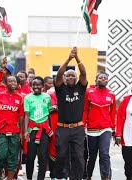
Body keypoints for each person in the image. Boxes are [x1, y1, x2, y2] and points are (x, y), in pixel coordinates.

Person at [53, 47, 87, 180]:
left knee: (78, 157)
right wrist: (68, 59)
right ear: (65, 78)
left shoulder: (81, 87)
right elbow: (59, 74)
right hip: (63, 128)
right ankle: (61, 177)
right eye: (68, 75)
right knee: (61, 155)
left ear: (76, 78)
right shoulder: (61, 88)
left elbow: (84, 73)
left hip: (77, 128)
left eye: (73, 75)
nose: (71, 77)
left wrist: (77, 58)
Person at [0, 75, 25, 180]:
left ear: (17, 84)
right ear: (5, 83)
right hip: (1, 130)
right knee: (2, 155)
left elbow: (21, 116)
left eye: (14, 82)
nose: (12, 83)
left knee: (13, 156)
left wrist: (22, 132)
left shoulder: (21, 98)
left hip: (15, 131)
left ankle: (10, 178)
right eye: (10, 81)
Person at [83, 72, 116, 180]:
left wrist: (113, 127)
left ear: (108, 80)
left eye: (105, 78)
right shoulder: (89, 92)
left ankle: (105, 177)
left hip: (105, 128)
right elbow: (85, 109)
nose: (103, 79)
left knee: (104, 154)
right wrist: (83, 125)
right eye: (100, 78)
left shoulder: (111, 94)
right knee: (92, 156)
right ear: (96, 80)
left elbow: (112, 112)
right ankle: (88, 176)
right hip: (91, 129)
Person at [24, 76, 52, 180]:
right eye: (34, 85)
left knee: (43, 157)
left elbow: (49, 114)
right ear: (31, 86)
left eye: (38, 85)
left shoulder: (47, 97)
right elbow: (26, 114)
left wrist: (51, 129)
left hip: (44, 131)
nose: (36, 86)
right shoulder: (27, 98)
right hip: (32, 130)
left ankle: (41, 178)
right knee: (30, 157)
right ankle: (29, 177)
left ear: (43, 86)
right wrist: (26, 131)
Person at [115, 89, 132, 180]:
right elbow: (120, 118)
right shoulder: (126, 100)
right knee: (128, 162)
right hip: (128, 137)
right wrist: (118, 134)